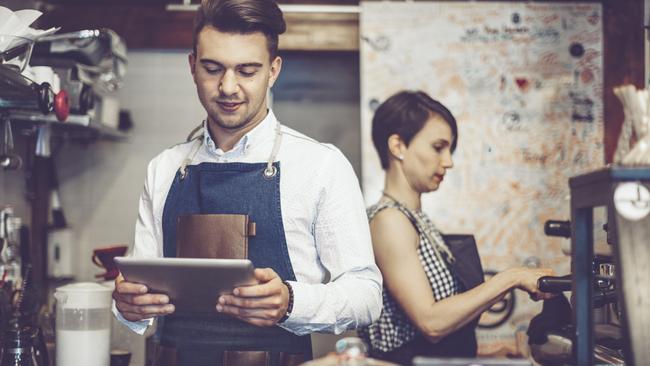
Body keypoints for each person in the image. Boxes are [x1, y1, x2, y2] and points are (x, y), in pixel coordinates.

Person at [111, 1, 382, 365]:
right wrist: (129, 304)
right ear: (193, 66)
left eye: (247, 71)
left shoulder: (321, 166)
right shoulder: (164, 168)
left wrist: (291, 301)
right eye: (212, 69)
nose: (228, 87)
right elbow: (141, 296)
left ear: (273, 70)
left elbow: (367, 295)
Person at [358, 90, 554, 365]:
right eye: (438, 148)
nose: (448, 162)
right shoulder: (389, 220)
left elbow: (421, 334)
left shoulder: (414, 219)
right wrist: (513, 277)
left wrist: (484, 353)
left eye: (450, 150)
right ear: (398, 146)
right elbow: (431, 322)